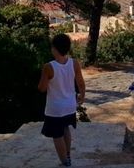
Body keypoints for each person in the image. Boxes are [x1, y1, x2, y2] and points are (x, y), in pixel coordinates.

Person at [38, 34, 85, 167]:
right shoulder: (74, 63)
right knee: (65, 129)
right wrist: (82, 95)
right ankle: (68, 155)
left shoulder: (49, 66)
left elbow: (42, 88)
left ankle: (65, 162)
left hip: (55, 108)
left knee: (56, 135)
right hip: (70, 105)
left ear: (55, 48)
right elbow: (80, 82)